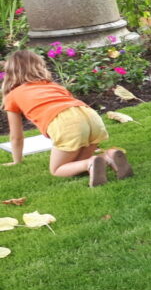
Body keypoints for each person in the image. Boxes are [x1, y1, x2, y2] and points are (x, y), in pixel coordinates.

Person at [2, 49, 132, 187]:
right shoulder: (54, 86)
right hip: (90, 115)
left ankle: (90, 163)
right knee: (76, 165)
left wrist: (17, 160)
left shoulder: (13, 96)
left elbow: (16, 136)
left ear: (10, 73)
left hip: (66, 123)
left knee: (58, 169)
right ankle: (109, 156)